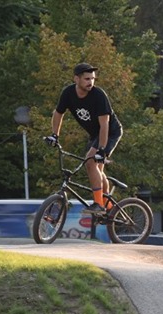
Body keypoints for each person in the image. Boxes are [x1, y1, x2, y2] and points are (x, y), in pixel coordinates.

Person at [45, 63, 123, 213]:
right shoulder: (68, 93)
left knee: (90, 162)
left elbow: (105, 124)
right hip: (95, 134)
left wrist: (101, 149)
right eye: (87, 79)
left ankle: (98, 204)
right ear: (76, 79)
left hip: (110, 132)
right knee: (97, 169)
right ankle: (109, 207)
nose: (90, 82)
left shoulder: (98, 95)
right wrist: (55, 135)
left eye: (93, 79)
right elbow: (58, 113)